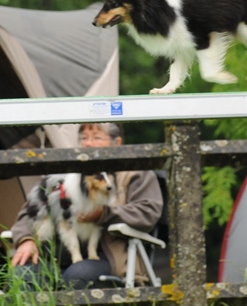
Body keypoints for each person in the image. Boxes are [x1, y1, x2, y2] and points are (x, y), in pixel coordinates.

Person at [9, 122, 163, 290]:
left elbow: (148, 211)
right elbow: (31, 209)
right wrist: (26, 239)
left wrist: (105, 214)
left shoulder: (135, 172)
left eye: (96, 137)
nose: (88, 144)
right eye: (84, 138)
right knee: (23, 275)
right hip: (54, 255)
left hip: (110, 258)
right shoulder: (67, 172)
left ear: (117, 143)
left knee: (76, 276)